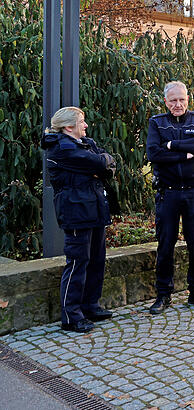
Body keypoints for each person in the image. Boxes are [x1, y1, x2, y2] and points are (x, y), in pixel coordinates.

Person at [41, 107, 116, 333]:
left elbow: (108, 163)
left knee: (96, 260)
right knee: (77, 263)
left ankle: (90, 306)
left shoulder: (85, 143)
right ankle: (71, 316)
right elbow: (100, 163)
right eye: (81, 122)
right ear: (68, 127)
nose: (85, 126)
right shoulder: (61, 149)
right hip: (76, 213)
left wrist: (100, 164)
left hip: (94, 209)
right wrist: (99, 165)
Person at [146, 81, 194, 314]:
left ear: (188, 99)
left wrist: (172, 145)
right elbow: (154, 153)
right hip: (169, 193)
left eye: (181, 100)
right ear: (165, 101)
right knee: (165, 245)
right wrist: (187, 153)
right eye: (173, 100)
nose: (177, 104)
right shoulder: (157, 123)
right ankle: (163, 295)